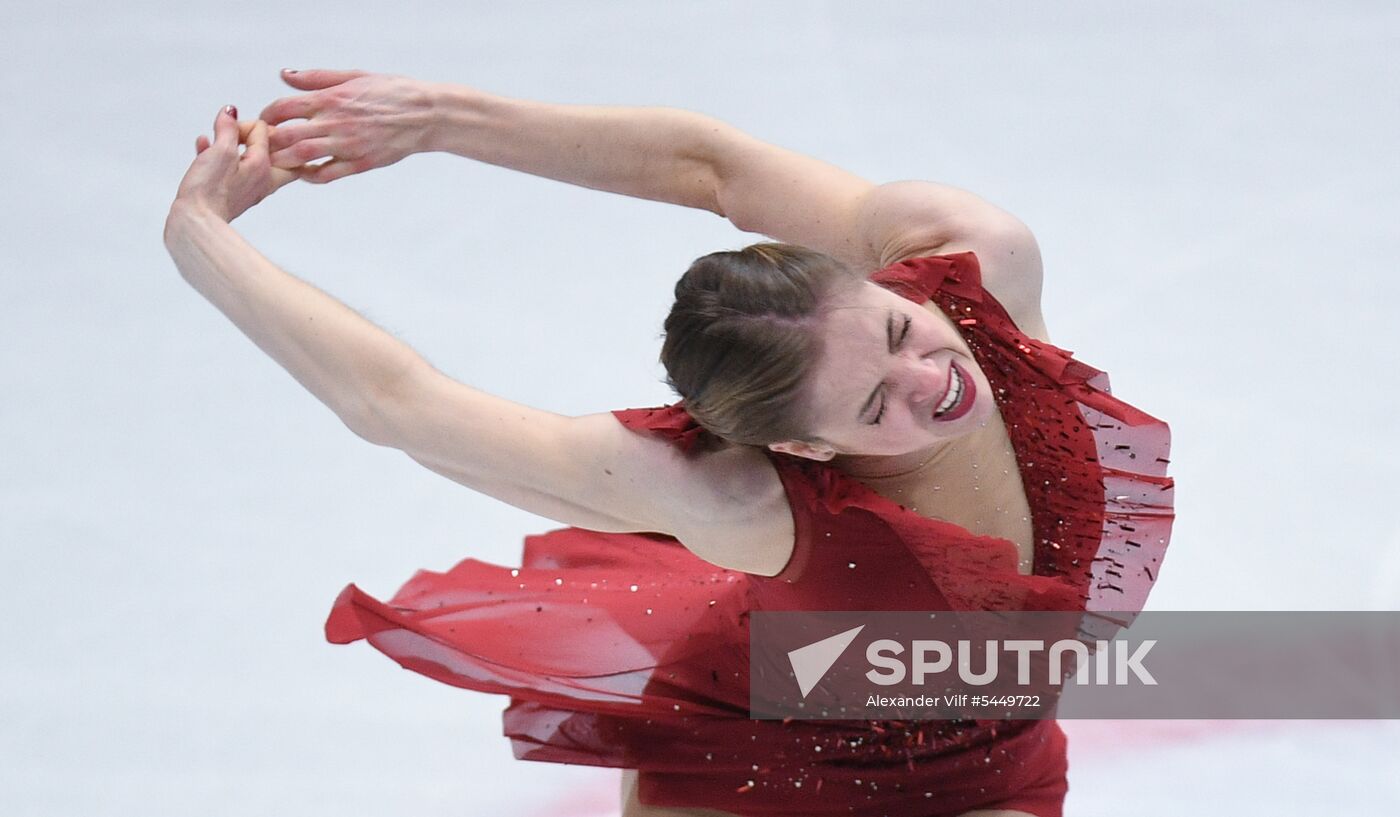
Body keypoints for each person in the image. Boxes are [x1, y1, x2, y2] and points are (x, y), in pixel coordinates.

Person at [166, 69, 1174, 817]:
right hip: (767, 769)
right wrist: (200, 236)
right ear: (809, 450)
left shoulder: (976, 262)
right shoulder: (736, 498)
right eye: (874, 406)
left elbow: (713, 167)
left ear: (876, 278)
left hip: (991, 753)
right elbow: (400, 404)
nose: (933, 380)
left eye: (901, 330)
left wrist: (443, 120)